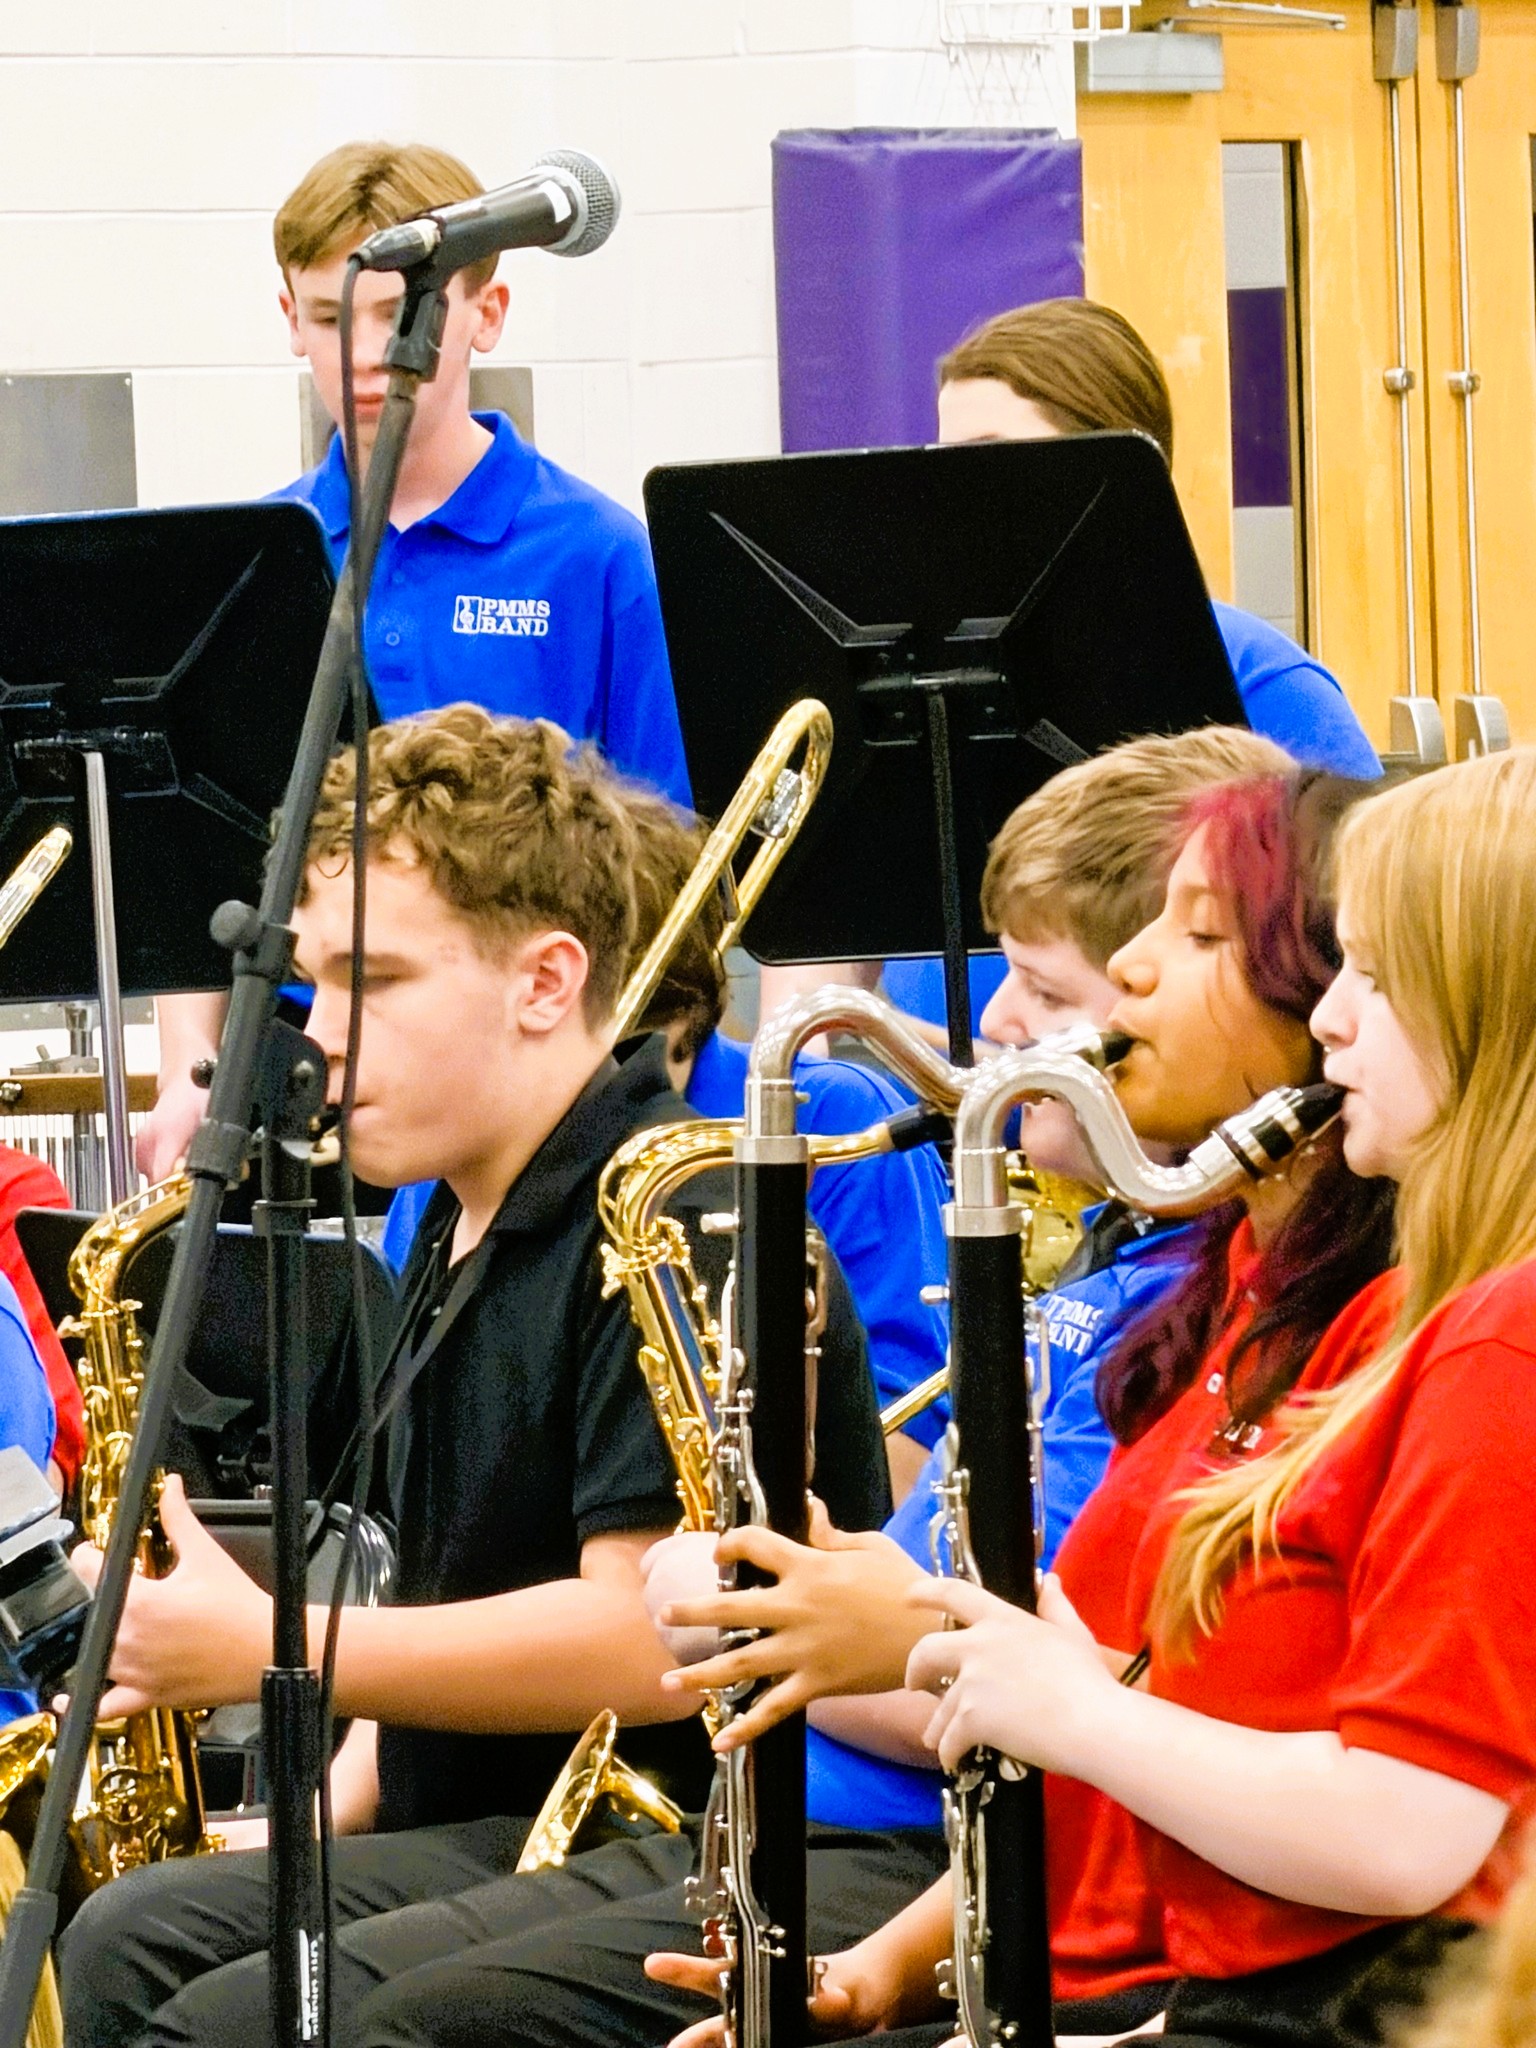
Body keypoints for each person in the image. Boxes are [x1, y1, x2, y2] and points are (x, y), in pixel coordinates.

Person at [261, 749, 1374, 2048]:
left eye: (1186, 940)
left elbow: (1111, 1717)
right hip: (917, 1850)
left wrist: (833, 1622)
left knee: (409, 2026)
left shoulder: (1352, 1330)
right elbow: (1085, 1682)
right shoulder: (1191, 1283)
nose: (1024, 1013)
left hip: (976, 1865)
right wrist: (890, 1961)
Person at [673, 748, 1536, 2048]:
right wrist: (898, 1971)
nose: (1339, 1021)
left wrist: (1053, 1699)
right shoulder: (1310, 1305)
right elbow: (1129, 1715)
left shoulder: (1489, 1341)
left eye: (1377, 976)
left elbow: (1414, 1828)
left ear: (1488, 1007)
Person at [57, 707, 888, 2048]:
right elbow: (453, 1580)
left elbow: (656, 1644)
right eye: (311, 986)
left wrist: (256, 1650)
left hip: (689, 1830)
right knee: (127, 1935)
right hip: (491, 1820)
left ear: (545, 982)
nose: (318, 1038)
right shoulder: (447, 1212)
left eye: (371, 983)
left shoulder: (681, 1210)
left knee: (232, 2020)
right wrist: (301, 1821)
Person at [139, 139, 690, 1184]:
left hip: (520, 1082)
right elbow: (196, 855)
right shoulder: (252, 557)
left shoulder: (596, 554)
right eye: (330, 316)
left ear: (486, 314)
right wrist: (186, 1074)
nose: (362, 355)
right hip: (290, 1079)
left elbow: (666, 862)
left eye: (402, 317)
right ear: (288, 319)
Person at [769, 295, 1383, 1043]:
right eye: (943, 465)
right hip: (930, 1135)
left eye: (989, 460)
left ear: (1110, 476)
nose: (947, 500)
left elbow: (1347, 969)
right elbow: (827, 965)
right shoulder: (905, 678)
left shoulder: (1268, 686)